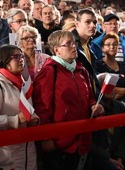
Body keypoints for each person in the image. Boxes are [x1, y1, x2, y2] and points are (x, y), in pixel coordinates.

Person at [33, 30, 103, 170]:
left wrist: (94, 105)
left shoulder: (81, 70)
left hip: (81, 138)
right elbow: (43, 107)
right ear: (56, 50)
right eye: (68, 44)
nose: (74, 47)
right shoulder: (49, 71)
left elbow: (89, 96)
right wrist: (46, 138)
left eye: (74, 43)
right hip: (59, 141)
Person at [0, 44, 39, 169]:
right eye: (16, 57)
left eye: (21, 56)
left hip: (25, 154)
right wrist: (16, 120)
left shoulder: (21, 83)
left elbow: (28, 110)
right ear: (3, 60)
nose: (21, 59)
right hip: (1, 157)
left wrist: (34, 119)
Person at [93, 32, 125, 99]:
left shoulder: (123, 65)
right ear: (103, 48)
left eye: (114, 44)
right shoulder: (98, 65)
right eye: (108, 45)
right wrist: (124, 90)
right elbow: (102, 87)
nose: (112, 47)